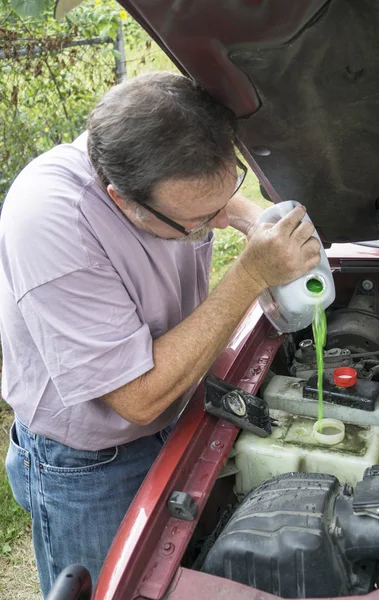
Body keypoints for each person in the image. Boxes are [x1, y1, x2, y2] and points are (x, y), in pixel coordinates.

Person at [0, 71, 320, 596]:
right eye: (198, 221)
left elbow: (212, 201)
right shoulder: (52, 223)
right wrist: (250, 274)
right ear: (122, 201)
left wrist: (253, 218)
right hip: (92, 466)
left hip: (179, 413)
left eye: (225, 192)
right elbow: (139, 397)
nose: (215, 222)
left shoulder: (154, 155)